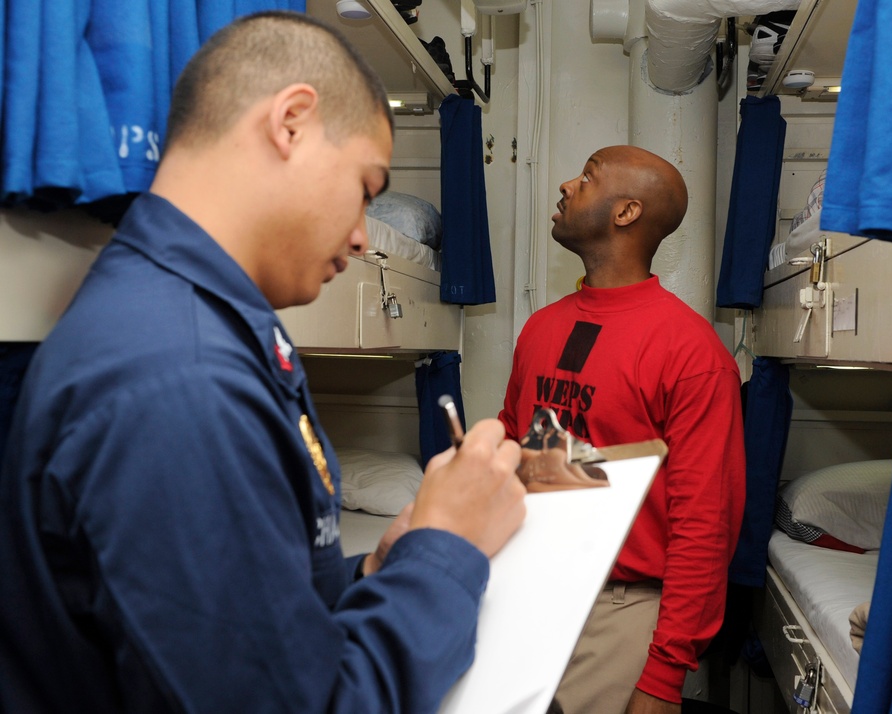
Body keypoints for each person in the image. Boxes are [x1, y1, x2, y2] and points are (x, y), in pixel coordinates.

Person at [0, 12, 526, 714]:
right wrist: (447, 546)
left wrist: (377, 566)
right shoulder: (179, 378)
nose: (364, 236)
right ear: (292, 123)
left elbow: (251, 615)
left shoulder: (197, 324)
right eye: (366, 189)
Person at [499, 145, 746, 714]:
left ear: (626, 212)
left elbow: (704, 524)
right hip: (528, 587)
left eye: (586, 177)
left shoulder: (692, 354)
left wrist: (663, 674)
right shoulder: (542, 328)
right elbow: (519, 443)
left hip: (622, 607)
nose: (565, 184)